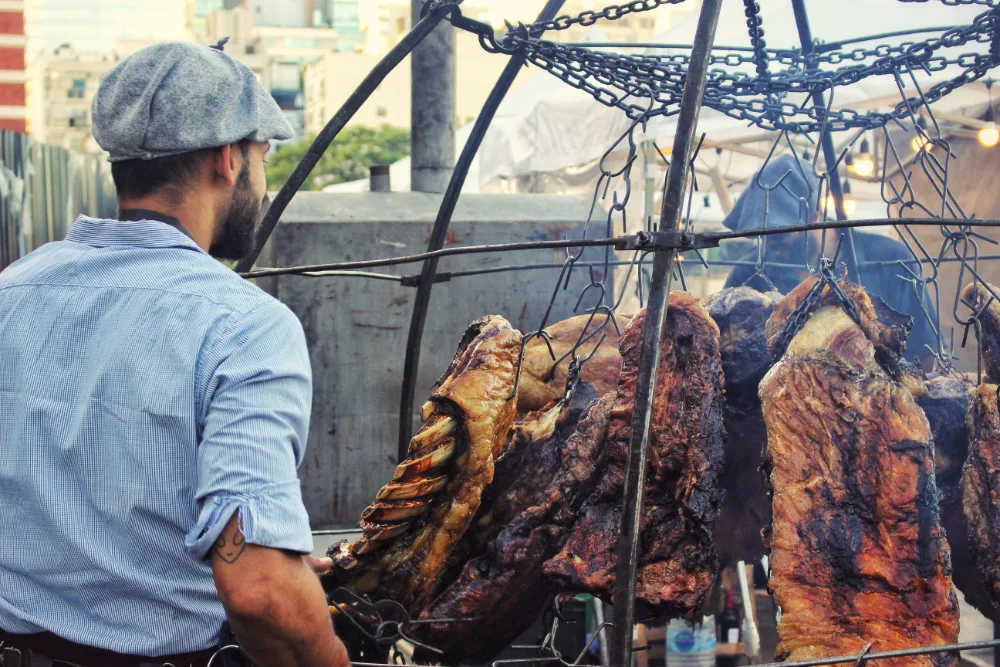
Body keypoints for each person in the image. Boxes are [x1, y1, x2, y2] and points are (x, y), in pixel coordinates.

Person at [0, 41, 349, 667]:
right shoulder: (246, 327)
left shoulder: (11, 290)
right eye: (262, 158)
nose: (262, 182)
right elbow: (261, 593)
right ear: (227, 160)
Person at [722, 154, 940, 369]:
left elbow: (927, 352)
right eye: (761, 237)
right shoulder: (749, 272)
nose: (767, 245)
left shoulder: (891, 259)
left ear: (814, 215)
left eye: (778, 235)